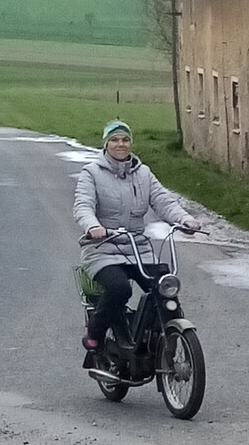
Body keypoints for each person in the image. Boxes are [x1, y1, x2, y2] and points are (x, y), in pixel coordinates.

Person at [74, 120, 200, 352]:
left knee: (165, 286)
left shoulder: (143, 173)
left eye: (125, 139)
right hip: (103, 248)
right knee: (120, 288)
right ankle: (94, 331)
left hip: (138, 249)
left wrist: (185, 220)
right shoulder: (91, 173)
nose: (120, 144)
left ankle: (161, 339)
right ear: (106, 144)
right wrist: (93, 227)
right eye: (114, 140)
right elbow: (83, 205)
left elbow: (163, 201)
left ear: (131, 143)